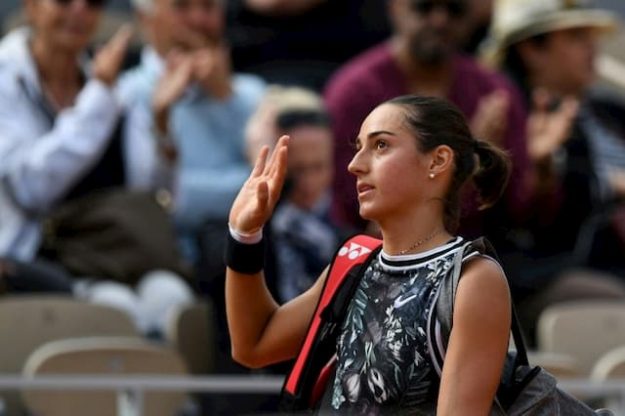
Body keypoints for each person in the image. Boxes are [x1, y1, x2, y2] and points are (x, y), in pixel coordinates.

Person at [226, 95, 512, 413]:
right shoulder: (355, 259)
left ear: (437, 161)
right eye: (358, 147)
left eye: (380, 146)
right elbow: (254, 344)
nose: (354, 165)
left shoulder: (473, 280)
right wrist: (244, 235)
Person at [0, 0, 192, 337]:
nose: (79, 11)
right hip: (35, 258)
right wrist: (97, 98)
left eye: (93, 2)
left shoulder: (107, 83)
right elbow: (31, 186)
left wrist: (161, 122)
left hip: (112, 252)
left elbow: (153, 195)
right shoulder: (7, 78)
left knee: (173, 300)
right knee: (114, 311)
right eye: (63, 1)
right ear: (30, 6)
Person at [481, 0, 625, 340]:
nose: (592, 48)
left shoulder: (610, 110)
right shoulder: (510, 116)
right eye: (576, 37)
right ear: (532, 49)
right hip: (552, 273)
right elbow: (529, 219)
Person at [323, 0, 531, 235]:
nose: (439, 21)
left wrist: (545, 166)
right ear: (394, 8)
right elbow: (365, 224)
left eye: (455, 10)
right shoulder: (354, 92)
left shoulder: (492, 90)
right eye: (423, 7)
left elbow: (523, 211)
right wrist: (466, 163)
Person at [121, 0, 266, 267]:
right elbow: (152, 205)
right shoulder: (127, 95)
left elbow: (270, 192)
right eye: (182, 6)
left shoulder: (252, 93)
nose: (198, 20)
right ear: (146, 18)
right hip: (165, 265)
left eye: (209, 7)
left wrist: (226, 98)